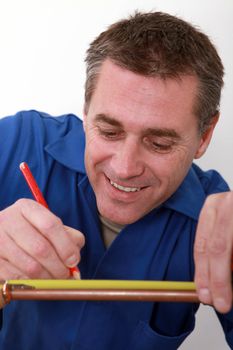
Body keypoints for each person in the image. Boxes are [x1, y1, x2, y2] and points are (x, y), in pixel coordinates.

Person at [0, 10, 233, 349]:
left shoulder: (217, 223)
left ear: (204, 135)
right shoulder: (17, 143)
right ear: (85, 110)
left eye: (159, 143)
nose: (125, 168)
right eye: (109, 131)